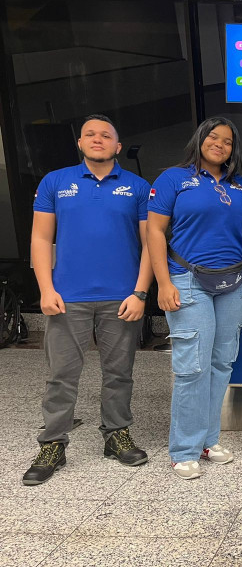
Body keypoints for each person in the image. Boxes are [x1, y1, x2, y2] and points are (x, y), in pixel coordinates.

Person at [23, 114, 152, 486]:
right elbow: (40, 240)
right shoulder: (55, 182)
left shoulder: (138, 187)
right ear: (80, 143)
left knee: (119, 373)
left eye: (106, 135)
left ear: (117, 144)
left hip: (121, 298)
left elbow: (149, 244)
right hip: (67, 297)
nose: (98, 139)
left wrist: (140, 292)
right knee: (61, 376)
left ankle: (116, 434)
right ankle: (52, 443)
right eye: (90, 134)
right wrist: (46, 289)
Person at [147, 117, 242, 480]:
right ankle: (184, 449)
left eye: (227, 141)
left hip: (235, 282)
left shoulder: (240, 186)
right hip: (187, 280)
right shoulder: (173, 179)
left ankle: (209, 440)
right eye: (213, 137)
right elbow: (156, 233)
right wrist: (163, 283)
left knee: (222, 362)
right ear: (200, 139)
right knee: (192, 366)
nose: (219, 145)